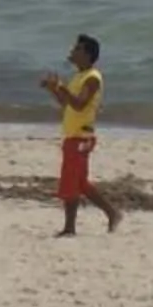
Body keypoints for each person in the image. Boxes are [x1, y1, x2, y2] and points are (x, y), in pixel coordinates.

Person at [40, 33, 125, 234]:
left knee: (71, 181)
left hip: (82, 135)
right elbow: (66, 103)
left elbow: (79, 104)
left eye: (77, 49)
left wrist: (61, 87)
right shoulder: (78, 76)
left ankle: (70, 227)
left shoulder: (92, 78)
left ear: (87, 54)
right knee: (80, 183)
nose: (72, 51)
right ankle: (112, 213)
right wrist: (53, 89)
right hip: (73, 134)